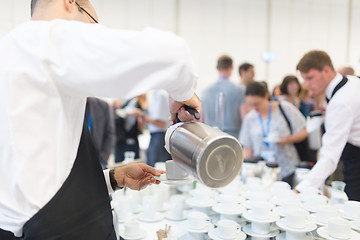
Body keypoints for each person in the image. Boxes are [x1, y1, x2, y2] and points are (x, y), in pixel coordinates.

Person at [0, 0, 201, 239]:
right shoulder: (45, 41)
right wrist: (183, 94)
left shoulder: (11, 54)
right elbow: (174, 56)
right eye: (93, 25)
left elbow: (32, 182)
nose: (91, 34)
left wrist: (113, 178)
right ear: (69, 3)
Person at [294, 50, 360, 201]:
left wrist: (300, 190)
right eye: (304, 79)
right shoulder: (350, 81)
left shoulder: (340, 102)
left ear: (327, 71)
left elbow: (329, 157)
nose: (307, 85)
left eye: (310, 78)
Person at [239, 82, 307, 187]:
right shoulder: (250, 118)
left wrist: (288, 139)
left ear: (266, 96)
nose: (254, 108)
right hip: (261, 172)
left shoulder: (285, 109)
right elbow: (247, 148)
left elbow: (304, 131)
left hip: (286, 168)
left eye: (257, 104)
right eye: (251, 105)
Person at [201, 55, 248, 138]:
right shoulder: (239, 90)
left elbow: (201, 120)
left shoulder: (205, 91)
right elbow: (245, 119)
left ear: (216, 67)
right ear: (232, 67)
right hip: (233, 139)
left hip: (210, 138)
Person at [113, 95, 146, 162]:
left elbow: (141, 122)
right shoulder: (121, 102)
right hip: (120, 139)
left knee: (135, 163)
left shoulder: (137, 102)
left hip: (132, 139)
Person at [85, 97, 116, 168]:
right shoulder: (70, 105)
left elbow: (110, 134)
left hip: (97, 158)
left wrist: (103, 159)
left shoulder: (102, 105)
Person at [144, 89, 172, 167]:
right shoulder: (155, 94)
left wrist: (144, 117)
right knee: (151, 165)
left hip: (159, 136)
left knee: (156, 167)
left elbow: (162, 123)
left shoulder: (161, 95)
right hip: (155, 136)